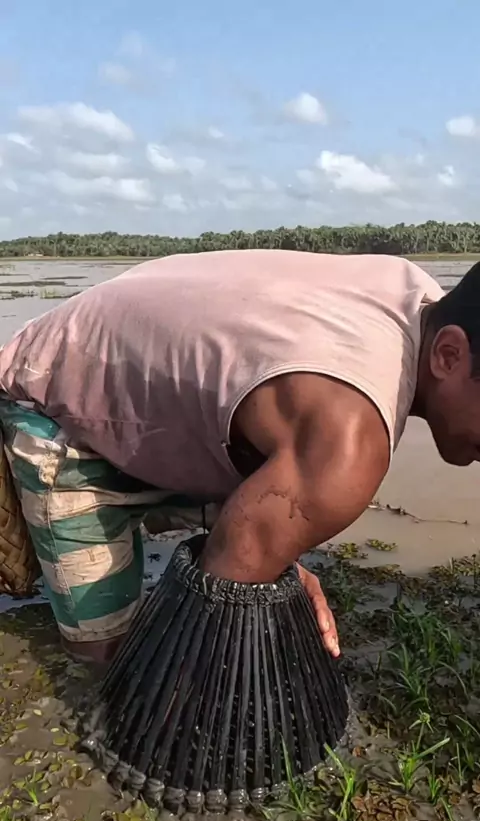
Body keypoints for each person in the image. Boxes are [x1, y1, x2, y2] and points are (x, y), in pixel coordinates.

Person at [0, 249, 475, 666]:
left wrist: (280, 560)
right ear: (449, 354)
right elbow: (212, 615)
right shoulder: (350, 441)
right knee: (106, 657)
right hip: (56, 398)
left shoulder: (421, 293)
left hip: (154, 389)